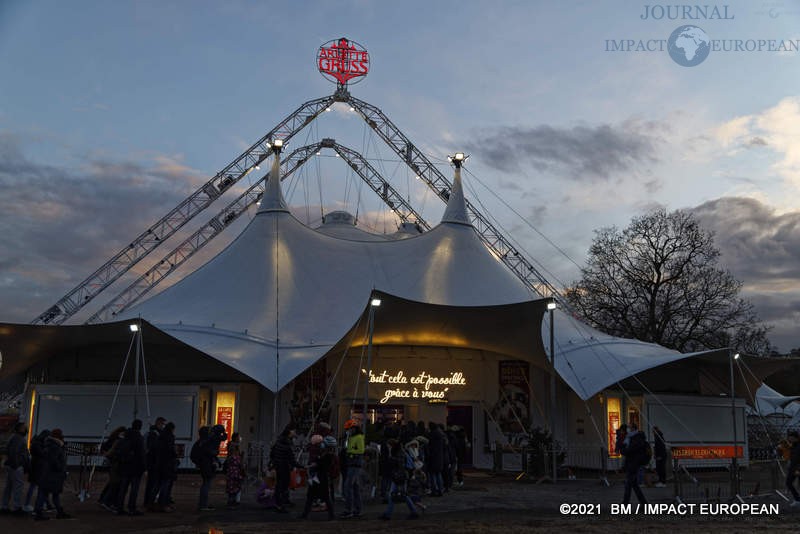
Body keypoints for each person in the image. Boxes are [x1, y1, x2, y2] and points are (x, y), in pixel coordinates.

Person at [34, 428, 71, 520]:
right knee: (53, 493)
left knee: (46, 493)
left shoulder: (50, 445)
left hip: (49, 474)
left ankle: (42, 512)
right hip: (53, 475)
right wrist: (61, 469)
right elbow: (54, 461)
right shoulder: (55, 446)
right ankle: (58, 512)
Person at [378, 439, 418, 520]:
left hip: (399, 477)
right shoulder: (399, 452)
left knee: (397, 495)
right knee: (398, 495)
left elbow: (400, 466)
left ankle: (388, 514)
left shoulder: (398, 453)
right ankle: (388, 514)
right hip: (399, 476)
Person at [300, 435, 335, 520]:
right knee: (312, 496)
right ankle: (305, 515)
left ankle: (331, 515)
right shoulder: (325, 454)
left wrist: (311, 465)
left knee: (324, 497)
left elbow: (319, 464)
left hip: (321, 478)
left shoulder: (328, 456)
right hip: (318, 477)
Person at [116, 419, 146, 515]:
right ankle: (131, 507)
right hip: (136, 467)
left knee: (123, 488)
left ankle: (119, 507)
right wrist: (144, 467)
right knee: (134, 489)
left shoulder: (126, 436)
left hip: (125, 466)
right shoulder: (139, 438)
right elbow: (142, 454)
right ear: (139, 426)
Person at [269, 426, 301, 513]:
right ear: (289, 434)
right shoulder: (287, 445)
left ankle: (279, 503)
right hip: (284, 467)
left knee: (279, 485)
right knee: (283, 486)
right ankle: (281, 504)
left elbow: (272, 454)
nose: (294, 432)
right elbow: (291, 458)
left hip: (278, 466)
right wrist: (300, 466)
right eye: (292, 431)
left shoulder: (278, 442)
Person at [1, 422, 30, 515]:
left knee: (9, 487)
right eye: (25, 428)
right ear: (21, 429)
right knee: (18, 487)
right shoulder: (19, 439)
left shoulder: (14, 437)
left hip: (11, 465)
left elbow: (10, 451)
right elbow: (14, 453)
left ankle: (4, 507)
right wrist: (17, 464)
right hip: (15, 466)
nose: (26, 429)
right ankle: (16, 507)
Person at [339, 419, 364, 518]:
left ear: (354, 428)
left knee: (348, 487)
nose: (348, 431)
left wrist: (350, 453)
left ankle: (348, 510)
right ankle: (357, 510)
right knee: (355, 488)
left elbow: (361, 450)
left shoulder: (358, 437)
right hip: (352, 465)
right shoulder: (352, 437)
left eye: (349, 429)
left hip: (354, 465)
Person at [99, 426, 126, 511]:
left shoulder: (112, 439)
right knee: (114, 483)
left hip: (111, 462)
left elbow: (104, 449)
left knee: (112, 482)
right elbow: (109, 451)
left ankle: (103, 498)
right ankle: (107, 500)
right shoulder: (117, 441)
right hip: (114, 463)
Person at [619, 425, 648, 505]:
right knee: (634, 485)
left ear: (633, 429)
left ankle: (625, 503)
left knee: (628, 484)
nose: (628, 429)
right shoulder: (630, 438)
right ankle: (644, 503)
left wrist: (623, 450)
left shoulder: (637, 438)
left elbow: (629, 450)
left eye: (630, 428)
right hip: (632, 463)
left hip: (634, 464)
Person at [25, 429, 51, 513]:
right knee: (39, 488)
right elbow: (43, 454)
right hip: (38, 468)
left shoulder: (36, 443)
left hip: (36, 468)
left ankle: (45, 504)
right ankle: (42, 504)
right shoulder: (38, 444)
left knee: (35, 487)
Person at [143, 417, 166, 511]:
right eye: (162, 424)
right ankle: (148, 501)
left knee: (151, 483)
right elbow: (153, 448)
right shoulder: (154, 434)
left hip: (152, 462)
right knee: (152, 483)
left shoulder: (153, 433)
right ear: (158, 424)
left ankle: (148, 500)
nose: (163, 426)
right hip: (153, 462)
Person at [155, 422, 177, 512]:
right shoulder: (170, 438)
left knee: (158, 484)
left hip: (160, 463)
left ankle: (153, 502)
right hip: (168, 464)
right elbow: (171, 451)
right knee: (166, 485)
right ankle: (163, 503)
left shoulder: (161, 437)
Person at [225, 442, 245, 508]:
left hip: (230, 473)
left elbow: (227, 464)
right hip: (236, 473)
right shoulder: (237, 457)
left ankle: (229, 501)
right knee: (235, 488)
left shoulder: (229, 457)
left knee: (230, 488)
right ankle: (233, 502)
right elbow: (240, 465)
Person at [786, 430, 800, 507]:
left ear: (796, 438)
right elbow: (792, 457)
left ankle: (798, 500)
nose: (789, 439)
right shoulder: (793, 446)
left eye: (791, 438)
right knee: (788, 483)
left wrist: (798, 469)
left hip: (797, 469)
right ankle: (797, 499)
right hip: (792, 468)